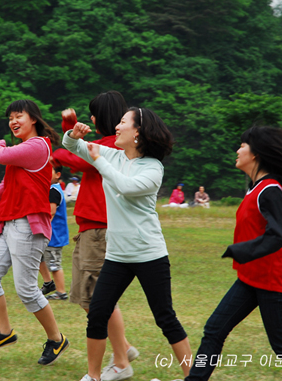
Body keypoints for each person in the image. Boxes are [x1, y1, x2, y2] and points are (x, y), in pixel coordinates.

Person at [182, 126, 282, 381]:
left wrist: (241, 250)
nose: (237, 150)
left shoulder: (270, 189)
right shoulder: (259, 188)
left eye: (242, 146)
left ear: (256, 153)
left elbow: (279, 234)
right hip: (252, 277)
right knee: (214, 329)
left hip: (273, 279)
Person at [64, 107, 192, 381]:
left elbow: (126, 186)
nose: (117, 127)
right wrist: (73, 135)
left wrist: (99, 160)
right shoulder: (112, 155)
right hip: (117, 256)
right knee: (98, 313)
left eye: (123, 122)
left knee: (165, 318)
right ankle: (93, 377)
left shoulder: (153, 168)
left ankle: (193, 377)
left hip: (149, 255)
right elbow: (73, 147)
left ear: (138, 132)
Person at [0, 100, 69, 365]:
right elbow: (4, 187)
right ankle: (4, 332)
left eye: (18, 116)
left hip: (28, 226)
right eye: (10, 118)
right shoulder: (22, 152)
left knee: (27, 290)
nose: (13, 122)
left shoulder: (38, 146)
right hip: (8, 224)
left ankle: (56, 339)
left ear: (34, 119)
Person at [53, 91, 139, 381]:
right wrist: (71, 128)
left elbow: (71, 157)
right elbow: (77, 150)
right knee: (89, 297)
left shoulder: (109, 146)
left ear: (104, 116)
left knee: (98, 298)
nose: (91, 118)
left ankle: (121, 360)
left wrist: (59, 143)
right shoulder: (104, 143)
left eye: (94, 113)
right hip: (90, 228)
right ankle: (123, 348)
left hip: (100, 229)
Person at [42, 165, 69, 301]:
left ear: (58, 175)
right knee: (41, 259)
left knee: (54, 265)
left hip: (54, 236)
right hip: (51, 235)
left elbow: (51, 212)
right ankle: (48, 283)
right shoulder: (52, 189)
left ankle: (61, 292)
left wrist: (43, 227)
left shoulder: (54, 190)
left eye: (49, 171)